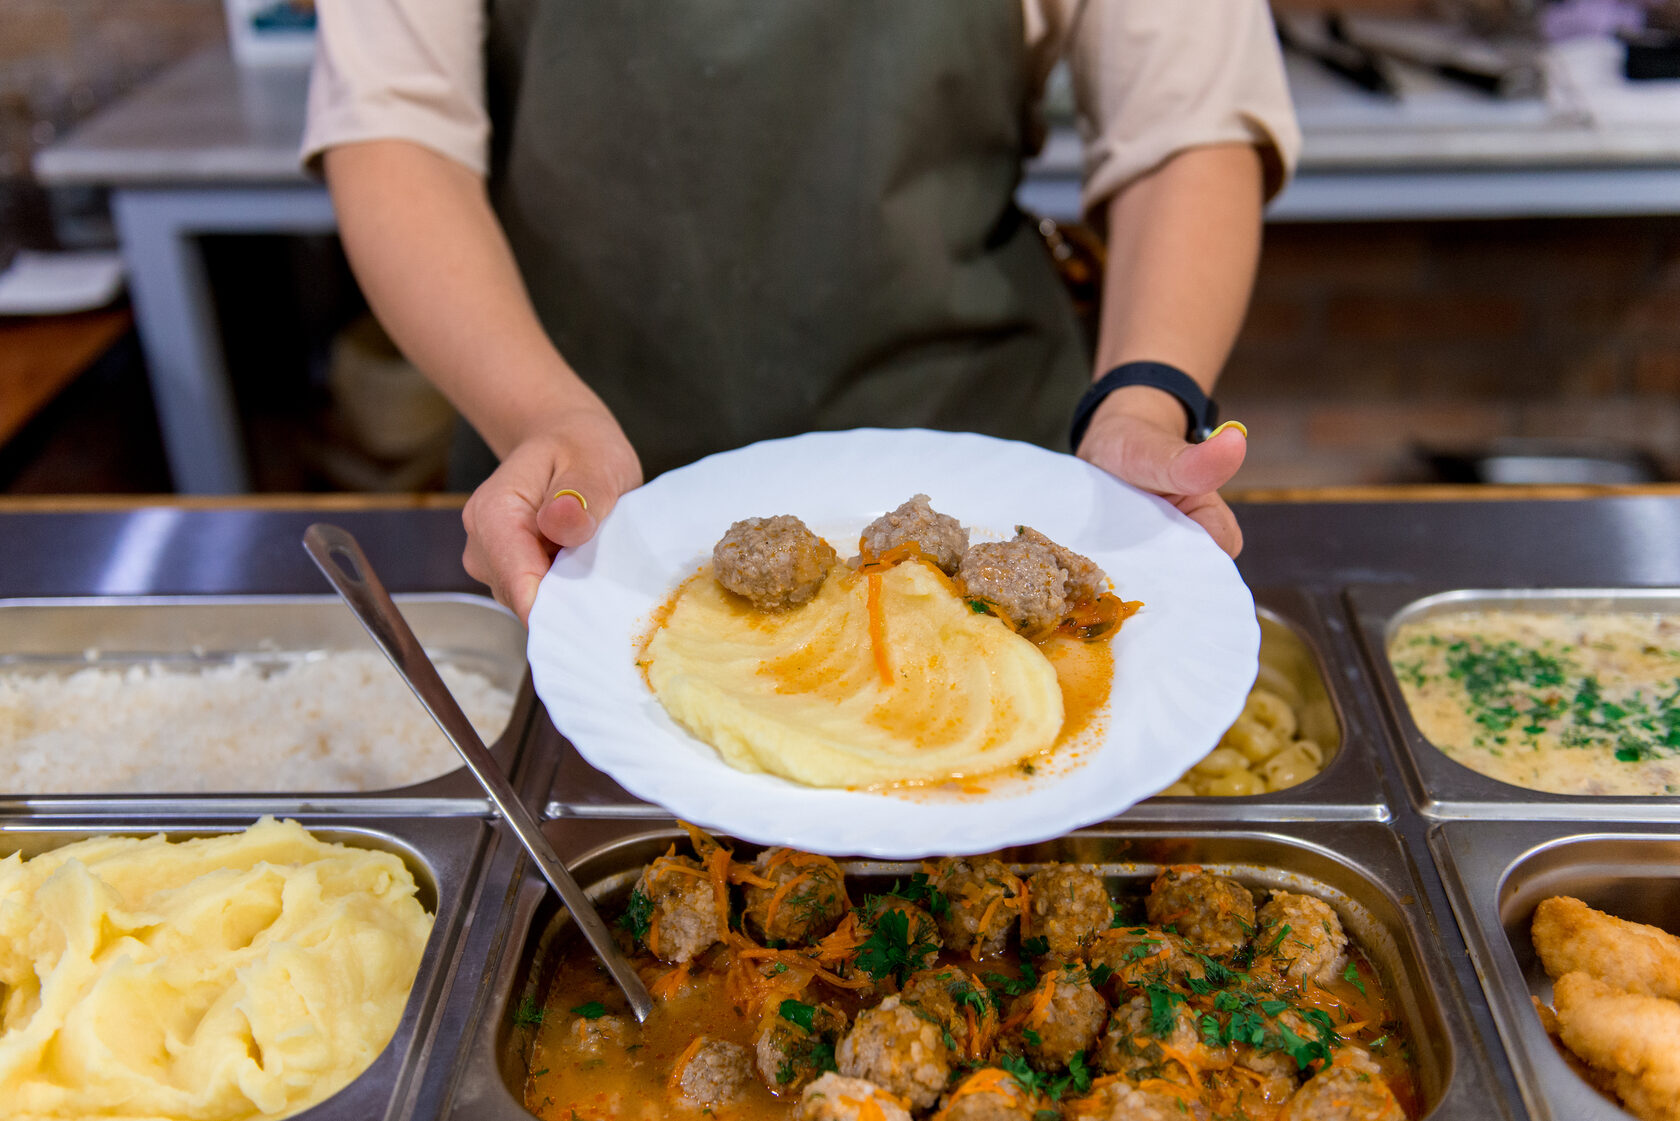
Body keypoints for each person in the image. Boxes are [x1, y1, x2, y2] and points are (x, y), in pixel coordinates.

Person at [303, 1, 1300, 623]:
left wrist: (1142, 399)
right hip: (589, 518)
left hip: (990, 481)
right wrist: (535, 416)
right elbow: (399, 132)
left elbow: (1186, 125)